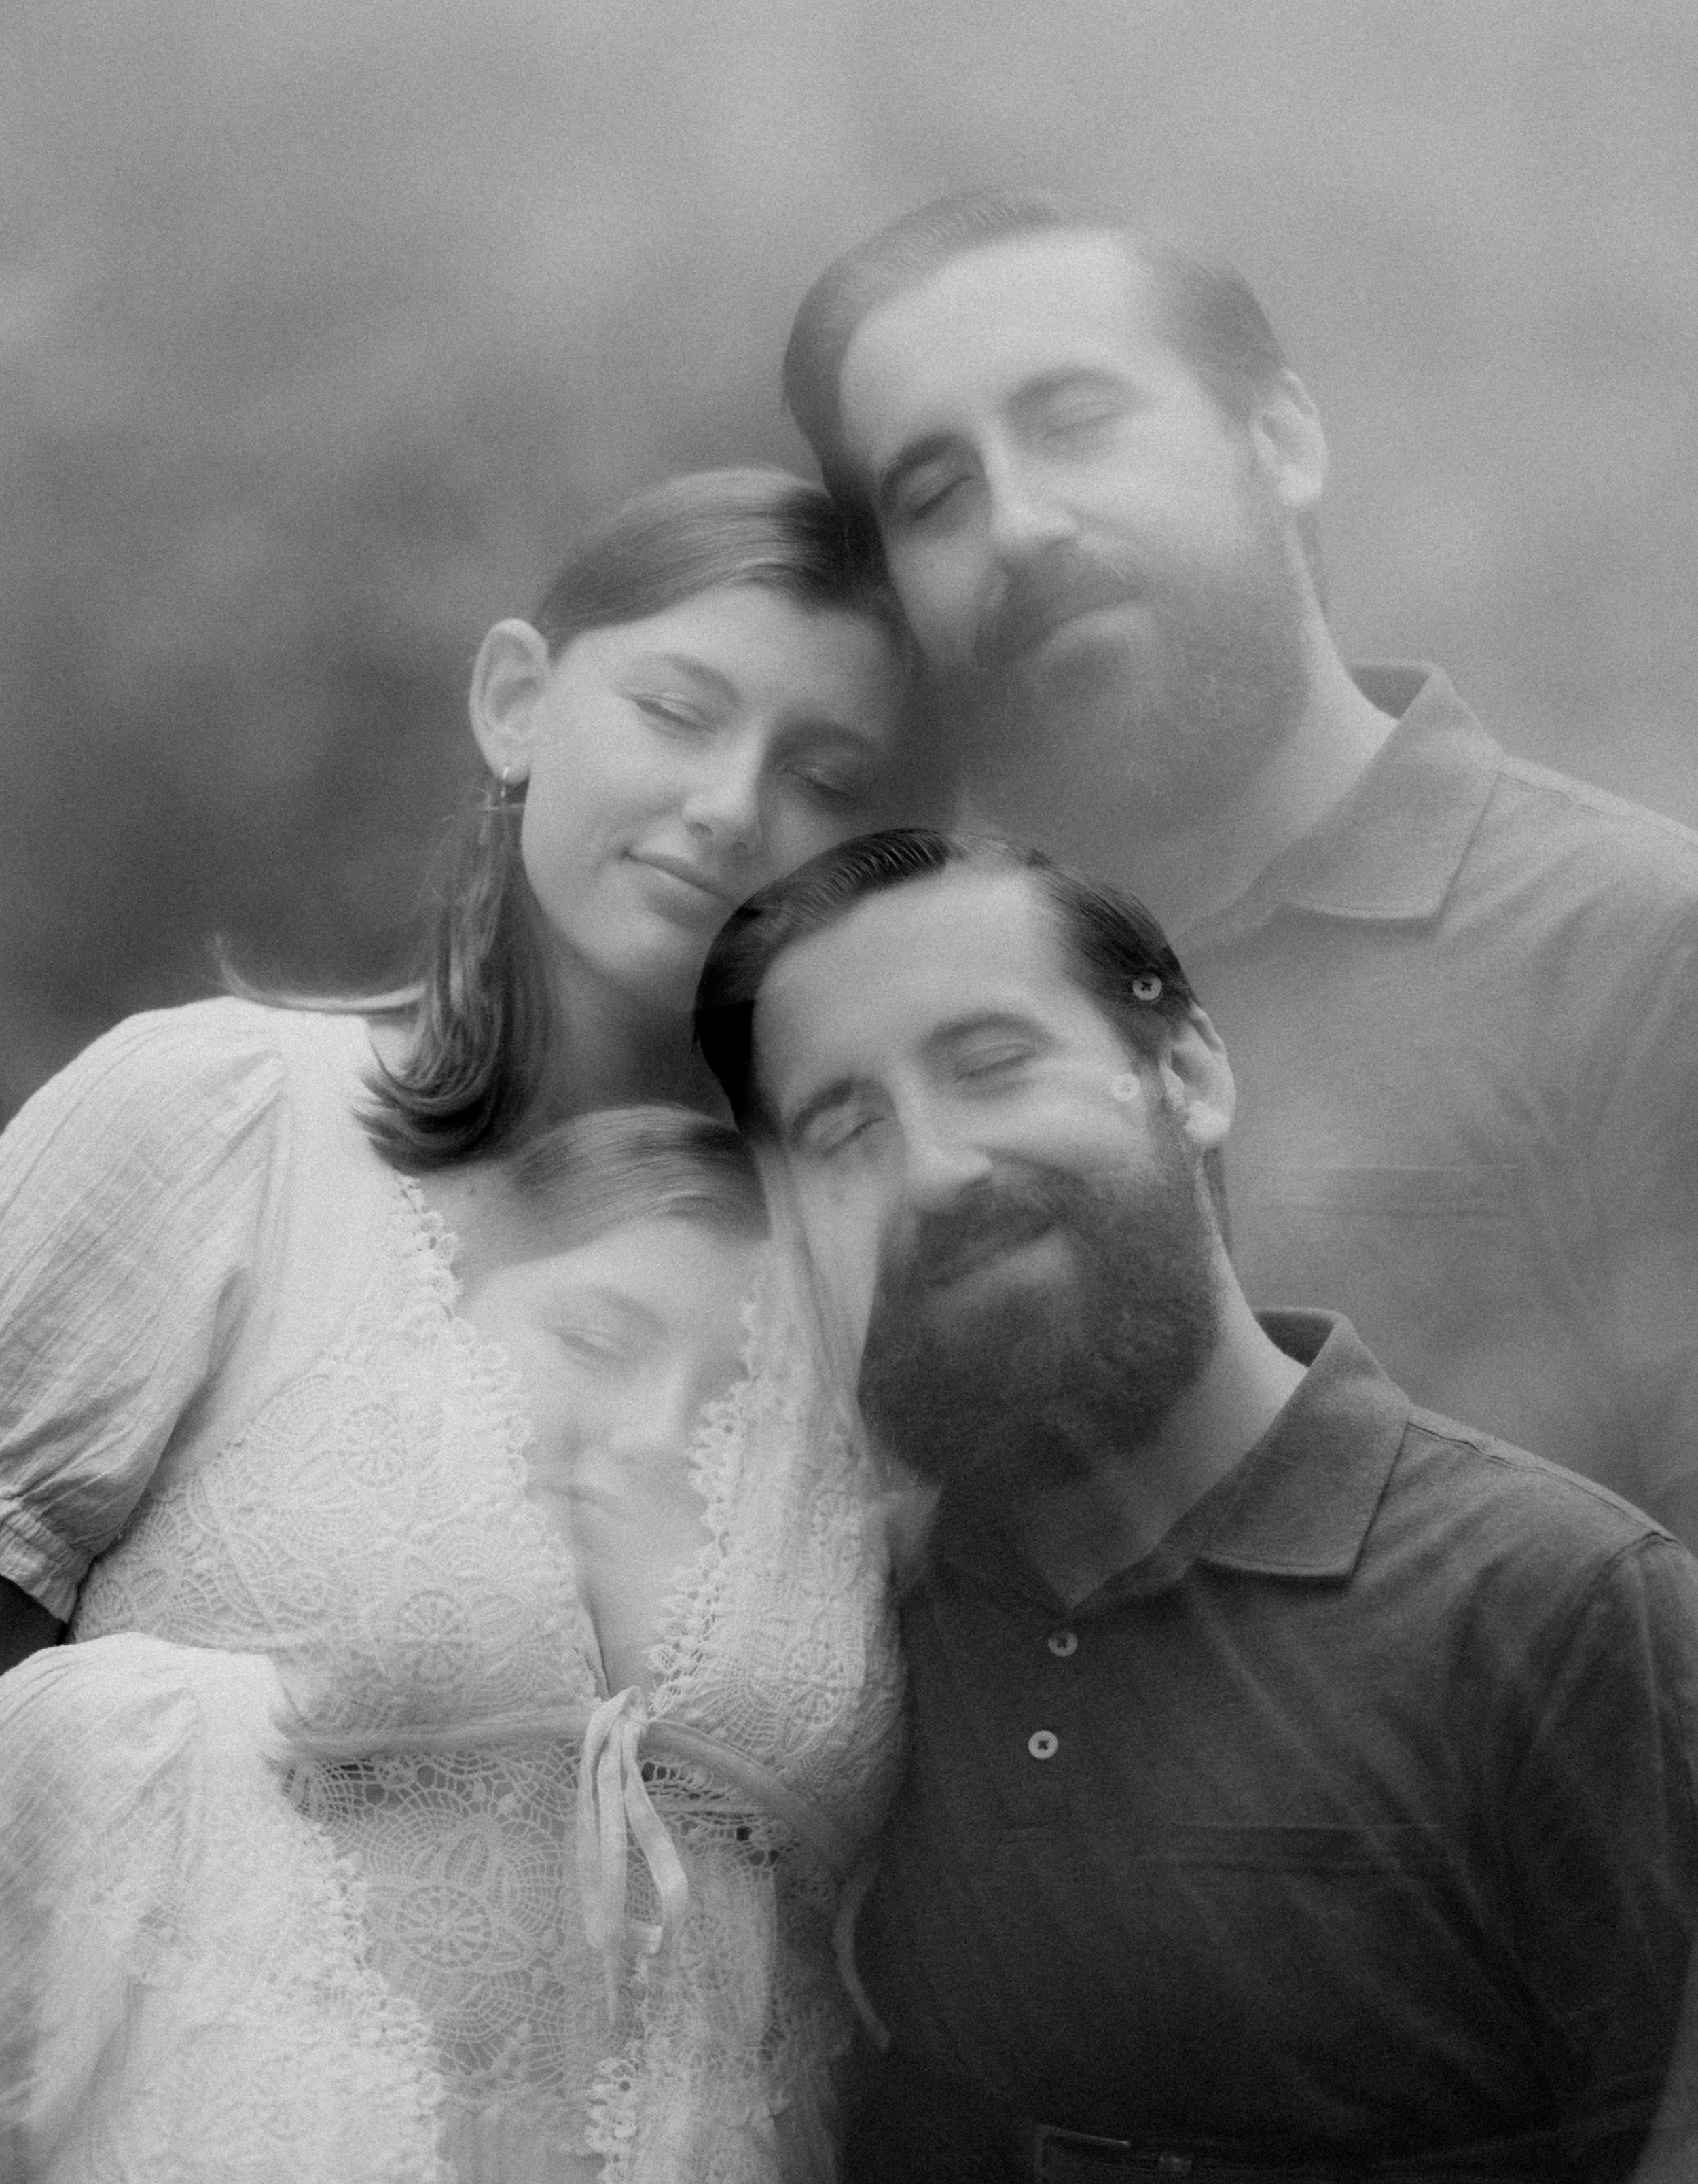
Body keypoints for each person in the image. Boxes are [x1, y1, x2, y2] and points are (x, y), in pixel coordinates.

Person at [0, 467, 917, 2181]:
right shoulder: (225, 1122)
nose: (730, 807)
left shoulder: (853, 1295)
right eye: (674, 708)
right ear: (516, 698)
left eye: (823, 777)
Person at [693, 827, 1698, 2181]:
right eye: (844, 1128)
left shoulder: (1560, 1607)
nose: (931, 1168)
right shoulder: (845, 1634)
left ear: (1186, 1071)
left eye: (990, 1064)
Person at [780, 188, 1698, 1543]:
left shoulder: (1630, 938)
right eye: (933, 493)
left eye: (1073, 421)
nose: (1019, 522)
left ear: (1278, 437)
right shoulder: (894, 1047)